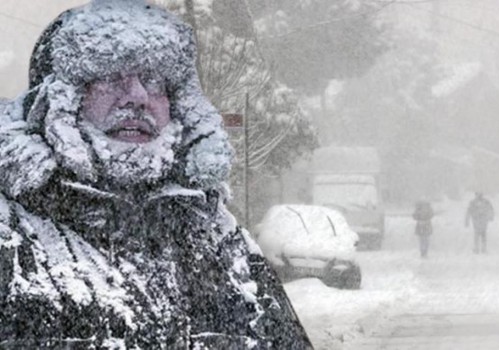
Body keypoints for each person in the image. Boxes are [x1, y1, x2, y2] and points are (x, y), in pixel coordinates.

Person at [0, 1, 312, 348]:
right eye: (109, 77)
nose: (137, 97)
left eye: (153, 80)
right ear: (59, 99)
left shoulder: (218, 235)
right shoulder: (10, 238)